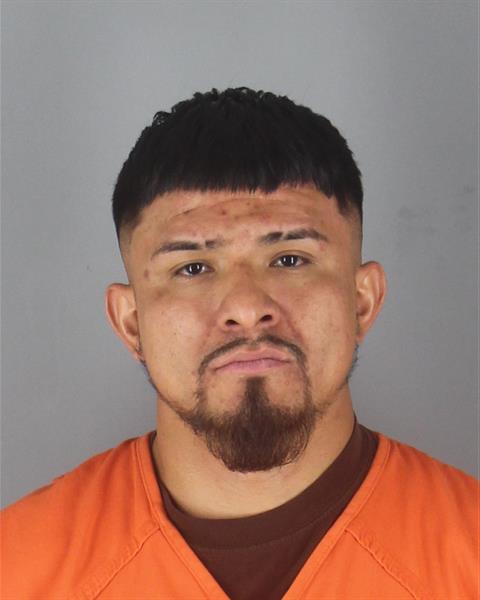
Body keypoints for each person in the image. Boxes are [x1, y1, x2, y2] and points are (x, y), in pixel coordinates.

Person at [1, 87, 477, 600]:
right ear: (131, 322)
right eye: (192, 268)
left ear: (361, 301)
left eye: (290, 259)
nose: (247, 307)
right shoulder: (16, 568)